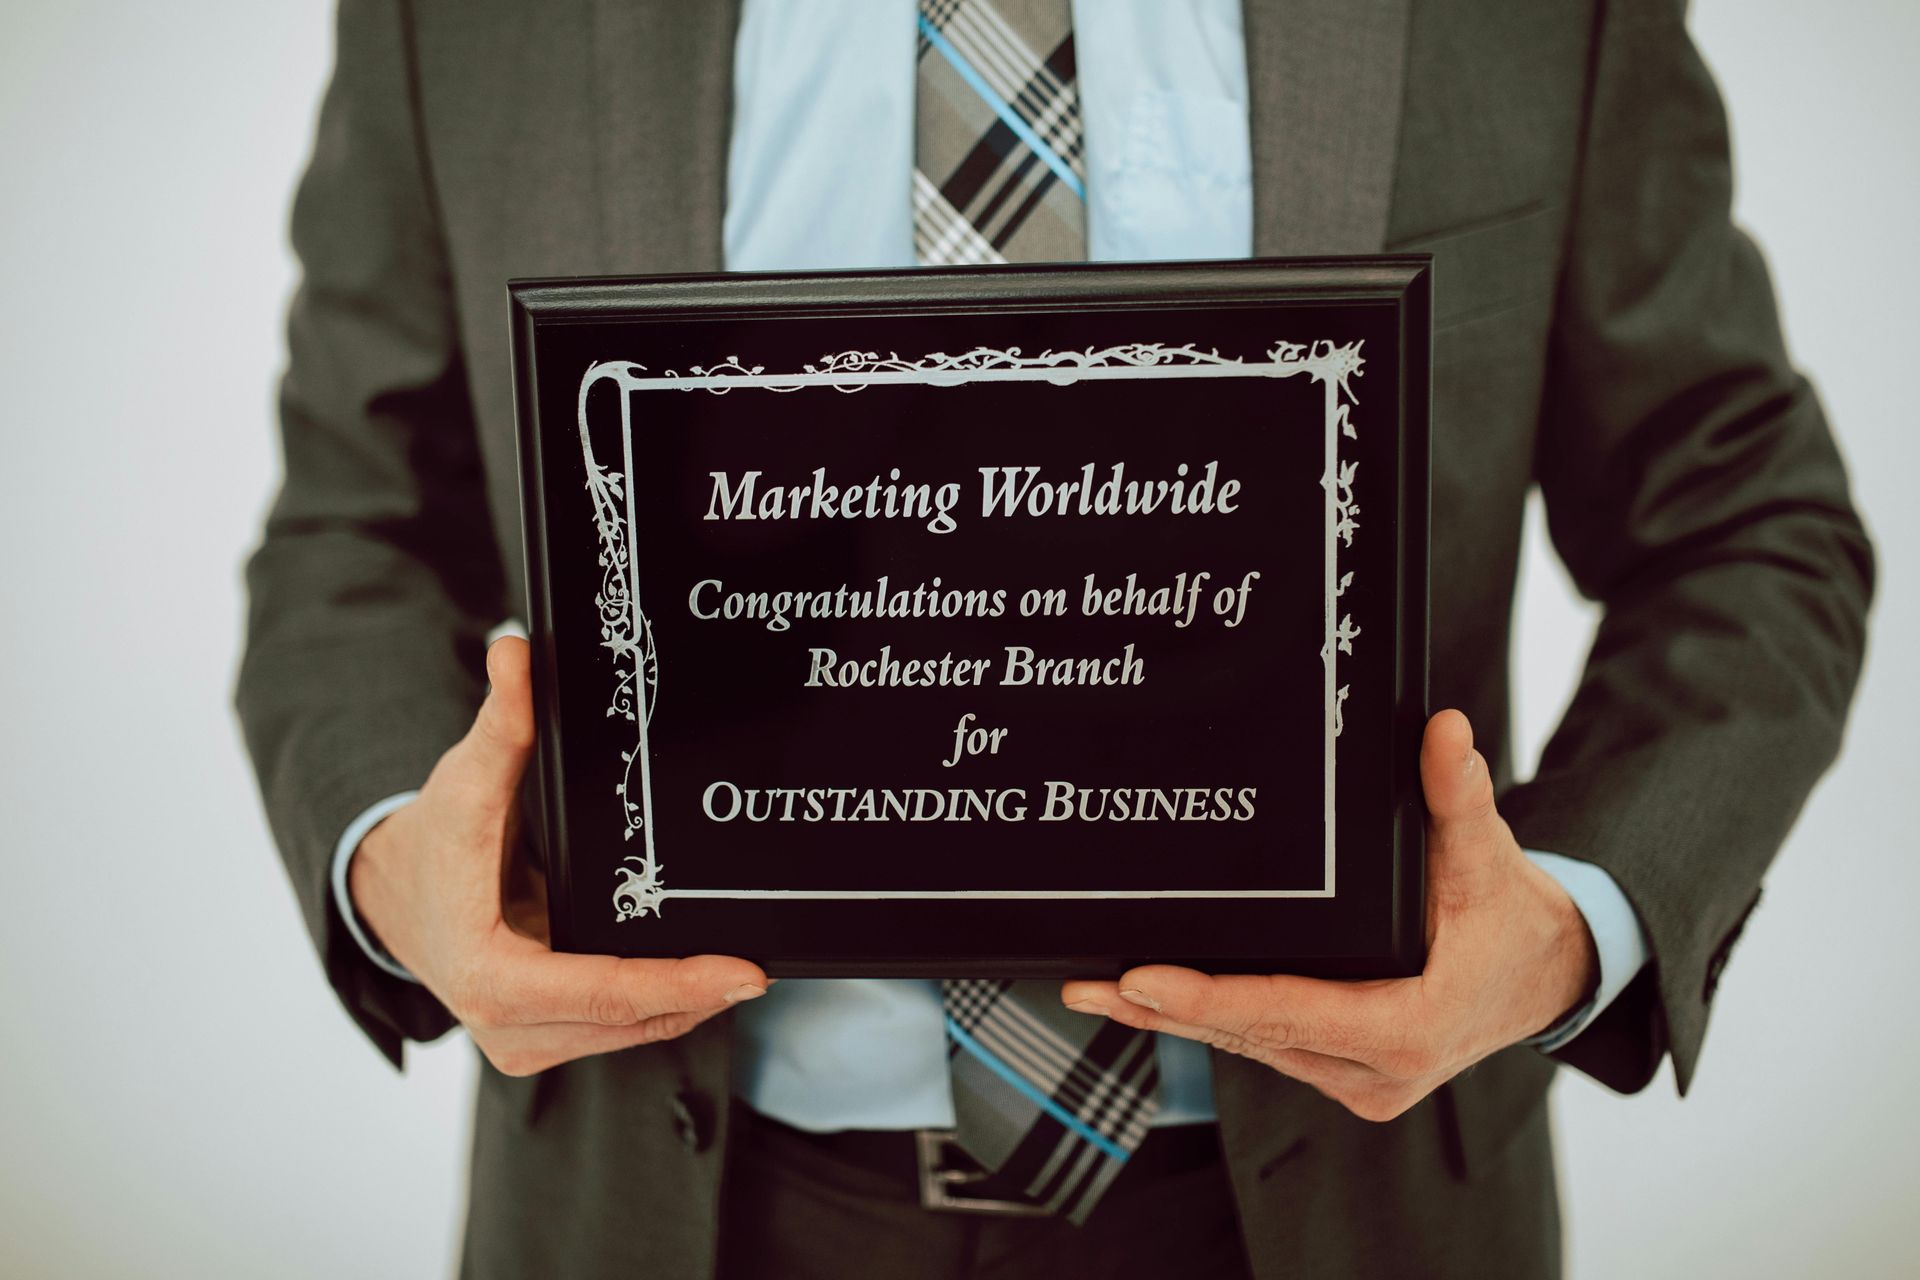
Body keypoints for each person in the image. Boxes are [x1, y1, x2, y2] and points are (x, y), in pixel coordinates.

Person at [236, 2, 1873, 1276]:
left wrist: (1576, 914)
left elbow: (1745, 524)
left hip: (1350, 1208)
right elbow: (351, 529)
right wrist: (397, 865)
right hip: (677, 1205)